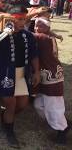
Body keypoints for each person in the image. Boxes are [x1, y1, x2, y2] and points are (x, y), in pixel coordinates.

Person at [0, 5, 40, 148]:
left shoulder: (28, 35)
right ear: (12, 19)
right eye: (20, 19)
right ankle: (9, 131)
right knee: (11, 103)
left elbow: (34, 55)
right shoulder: (1, 35)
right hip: (5, 74)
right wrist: (0, 18)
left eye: (25, 19)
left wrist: (37, 72)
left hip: (23, 73)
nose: (23, 22)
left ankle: (6, 119)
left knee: (22, 104)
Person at [32, 17, 70, 145]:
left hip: (52, 76)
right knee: (39, 104)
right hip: (47, 75)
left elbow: (28, 34)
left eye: (41, 26)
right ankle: (60, 122)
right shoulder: (48, 37)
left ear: (47, 29)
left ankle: (62, 130)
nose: (37, 29)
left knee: (53, 105)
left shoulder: (43, 39)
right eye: (36, 26)